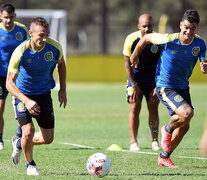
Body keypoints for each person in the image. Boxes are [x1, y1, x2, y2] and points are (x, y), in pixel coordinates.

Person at [130, 9, 207, 167]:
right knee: (187, 113)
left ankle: (164, 156)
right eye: (186, 27)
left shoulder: (200, 44)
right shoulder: (168, 39)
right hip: (166, 86)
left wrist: (204, 65)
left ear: (197, 28)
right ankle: (167, 129)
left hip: (183, 88)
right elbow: (147, 38)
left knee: (184, 126)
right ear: (180, 25)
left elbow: (203, 59)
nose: (188, 31)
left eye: (193, 28)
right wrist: (134, 55)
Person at [6, 17, 67, 176]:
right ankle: (30, 165)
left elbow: (61, 64)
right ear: (31, 33)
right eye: (41, 35)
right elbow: (9, 83)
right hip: (22, 95)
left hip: (44, 94)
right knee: (28, 131)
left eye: (46, 35)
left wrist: (63, 89)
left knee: (48, 139)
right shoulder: (20, 51)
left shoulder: (54, 48)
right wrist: (26, 101)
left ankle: (19, 143)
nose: (44, 39)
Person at [123, 14, 161, 151]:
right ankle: (134, 142)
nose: (147, 28)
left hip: (153, 79)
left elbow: (162, 64)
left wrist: (158, 85)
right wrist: (134, 85)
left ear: (153, 26)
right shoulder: (131, 39)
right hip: (135, 78)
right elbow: (127, 65)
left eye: (149, 26)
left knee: (153, 106)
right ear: (139, 26)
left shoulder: (159, 40)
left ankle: (155, 142)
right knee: (134, 106)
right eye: (144, 26)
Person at [0, 3, 28, 150]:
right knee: (0, 105)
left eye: (11, 17)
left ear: (14, 16)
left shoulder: (21, 30)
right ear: (0, 17)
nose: (8, 20)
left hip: (17, 75)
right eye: (5, 17)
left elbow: (28, 49)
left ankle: (17, 135)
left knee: (22, 104)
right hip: (1, 75)